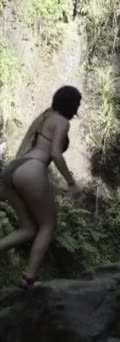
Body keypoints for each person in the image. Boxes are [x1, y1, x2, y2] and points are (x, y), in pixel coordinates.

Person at [0, 85, 81, 289]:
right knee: (48, 226)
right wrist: (71, 182)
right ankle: (28, 279)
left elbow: (30, 153)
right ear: (71, 105)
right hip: (32, 169)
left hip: (14, 169)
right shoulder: (62, 121)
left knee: (29, 228)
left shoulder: (45, 116)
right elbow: (54, 153)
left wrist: (53, 185)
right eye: (77, 104)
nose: (78, 108)